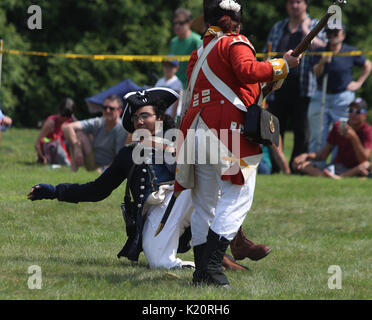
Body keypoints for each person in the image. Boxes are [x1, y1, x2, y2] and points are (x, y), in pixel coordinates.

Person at [174, 0, 301, 288]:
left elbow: (233, 85)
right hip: (226, 131)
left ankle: (201, 273)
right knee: (238, 192)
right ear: (233, 20)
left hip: (196, 130)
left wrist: (271, 79)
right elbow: (246, 71)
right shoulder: (235, 42)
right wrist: (282, 64)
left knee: (204, 202)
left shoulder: (198, 53)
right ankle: (211, 267)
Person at [27, 88, 196, 270]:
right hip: (158, 210)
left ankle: (213, 254)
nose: (139, 121)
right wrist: (54, 191)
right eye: (135, 117)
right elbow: (97, 190)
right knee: (159, 263)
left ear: (159, 118)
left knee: (206, 181)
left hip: (186, 198)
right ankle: (198, 263)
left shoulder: (179, 141)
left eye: (145, 115)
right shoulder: (128, 154)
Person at [264, 0, 327, 170]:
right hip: (277, 87)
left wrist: (307, 30)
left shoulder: (314, 24)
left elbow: (324, 47)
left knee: (302, 132)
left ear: (305, 5)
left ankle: (298, 168)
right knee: (274, 128)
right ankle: (276, 167)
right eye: (291, 2)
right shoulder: (279, 27)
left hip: (304, 88)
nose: (295, 5)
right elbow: (268, 54)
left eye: (298, 2)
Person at [308, 24, 372, 161]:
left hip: (342, 97)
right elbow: (316, 72)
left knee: (342, 132)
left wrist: (359, 83)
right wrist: (322, 62)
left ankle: (336, 164)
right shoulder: (320, 51)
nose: (332, 37)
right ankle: (316, 165)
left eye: (336, 33)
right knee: (318, 133)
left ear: (343, 35)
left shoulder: (350, 51)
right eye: (329, 34)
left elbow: (368, 65)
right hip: (321, 94)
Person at [292, 98, 372, 178]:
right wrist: (306, 156)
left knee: (366, 165)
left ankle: (339, 177)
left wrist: (353, 137)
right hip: (338, 166)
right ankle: (328, 176)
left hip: (356, 168)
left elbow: (364, 159)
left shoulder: (368, 130)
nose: (353, 114)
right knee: (302, 165)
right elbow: (323, 155)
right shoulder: (338, 126)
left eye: (358, 112)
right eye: (351, 110)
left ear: (365, 114)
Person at [63, 94, 127, 172]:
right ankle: (73, 172)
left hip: (107, 167)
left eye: (111, 108)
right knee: (77, 134)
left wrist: (105, 170)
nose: (107, 110)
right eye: (104, 107)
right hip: (92, 161)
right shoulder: (98, 122)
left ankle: (79, 172)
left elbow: (119, 157)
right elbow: (67, 127)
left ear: (119, 111)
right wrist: (77, 147)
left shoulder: (121, 128)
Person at [169, 8, 203, 90]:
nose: (177, 26)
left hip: (192, 87)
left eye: (181, 23)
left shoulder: (197, 40)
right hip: (174, 86)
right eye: (175, 23)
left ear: (190, 23)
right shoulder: (173, 42)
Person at [34, 97, 75, 165]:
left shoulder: (69, 121)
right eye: (63, 115)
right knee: (55, 142)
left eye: (67, 116)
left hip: (63, 149)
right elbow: (38, 142)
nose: (64, 118)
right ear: (59, 111)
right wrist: (43, 157)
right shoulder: (51, 123)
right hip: (51, 149)